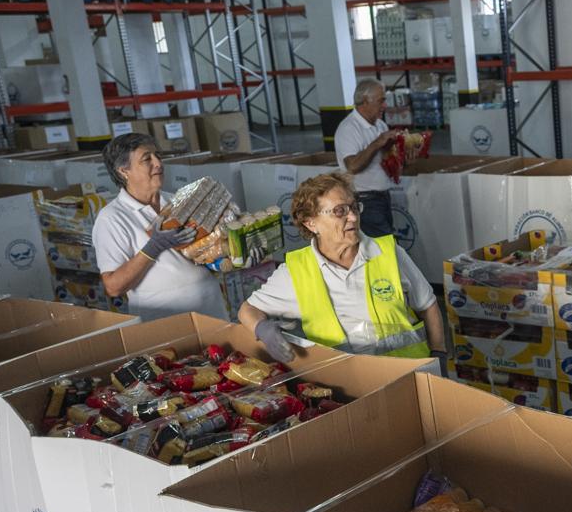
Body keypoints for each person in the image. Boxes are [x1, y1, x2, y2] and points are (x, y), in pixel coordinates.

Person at [238, 172, 446, 365]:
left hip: (411, 372)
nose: (354, 218)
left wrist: (439, 355)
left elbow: (428, 305)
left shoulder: (388, 252)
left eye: (354, 207)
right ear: (311, 223)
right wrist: (262, 328)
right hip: (351, 385)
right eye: (340, 211)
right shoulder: (295, 272)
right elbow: (248, 310)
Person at [93, 133, 228, 321]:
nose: (158, 163)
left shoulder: (178, 200)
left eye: (158, 156)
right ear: (124, 171)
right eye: (147, 159)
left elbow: (207, 253)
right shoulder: (112, 218)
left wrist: (233, 254)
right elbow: (113, 287)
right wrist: (153, 248)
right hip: (166, 322)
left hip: (212, 310)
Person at [335, 78, 400, 237]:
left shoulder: (380, 125)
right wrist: (377, 143)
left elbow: (386, 161)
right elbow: (352, 166)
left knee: (382, 246)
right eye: (381, 101)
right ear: (365, 101)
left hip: (382, 197)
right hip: (365, 200)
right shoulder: (348, 129)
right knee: (384, 248)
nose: (385, 106)